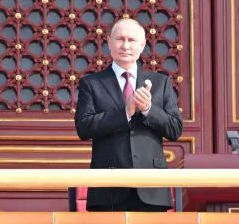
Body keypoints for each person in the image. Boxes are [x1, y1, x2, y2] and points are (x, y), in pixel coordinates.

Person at [75, 17, 183, 211]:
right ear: (109, 42)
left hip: (151, 186)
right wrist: (125, 112)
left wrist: (148, 109)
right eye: (120, 39)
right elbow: (83, 127)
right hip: (108, 186)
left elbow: (175, 129)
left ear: (142, 45)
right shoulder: (91, 83)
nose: (125, 46)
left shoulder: (161, 82)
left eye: (132, 40)